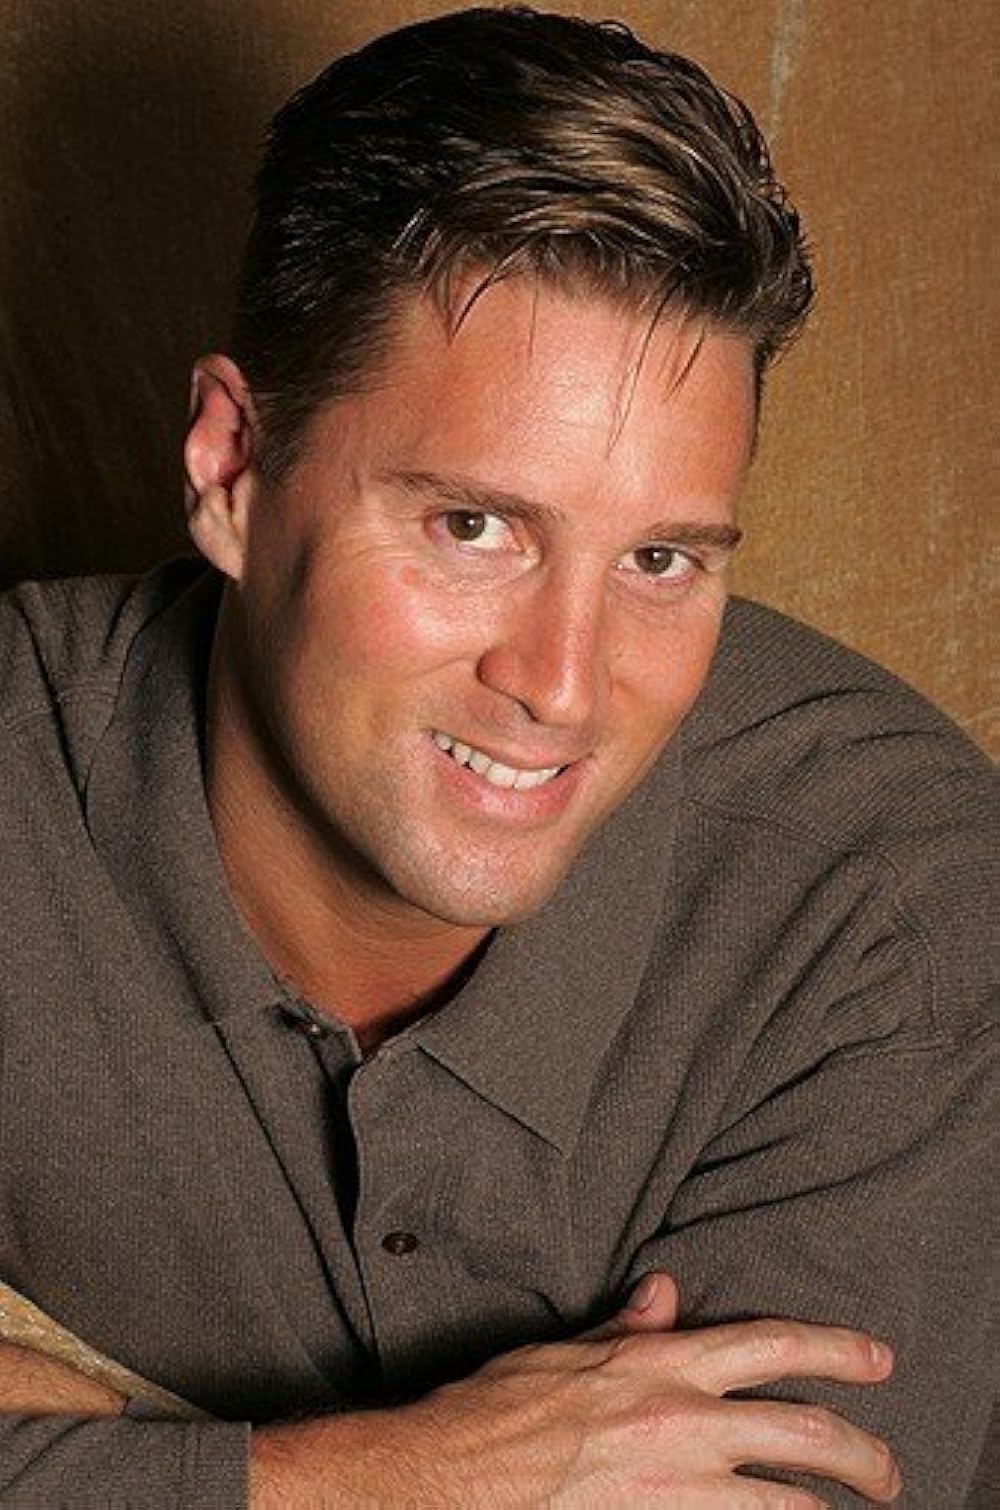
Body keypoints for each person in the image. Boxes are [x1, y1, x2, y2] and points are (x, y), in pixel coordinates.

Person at [0, 6, 996, 1505]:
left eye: (661, 559)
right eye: (474, 526)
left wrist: (98, 1440)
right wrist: (386, 1477)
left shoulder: (885, 894)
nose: (564, 684)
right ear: (234, 470)